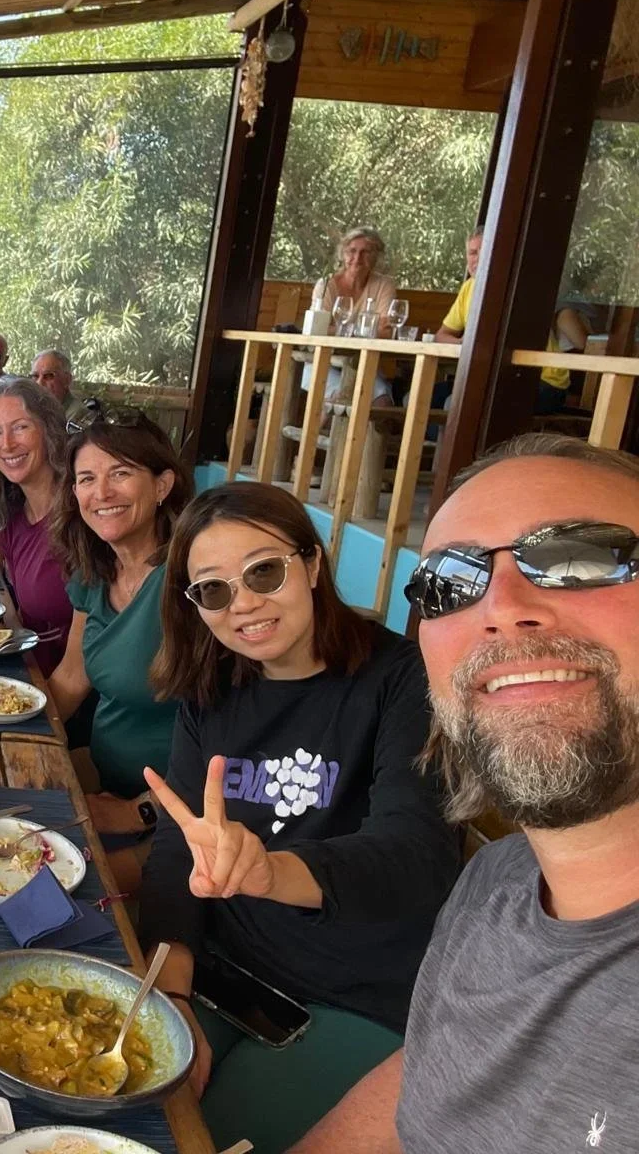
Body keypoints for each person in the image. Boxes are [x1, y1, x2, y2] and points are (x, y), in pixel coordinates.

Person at [292, 435, 639, 1154]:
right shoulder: (497, 880)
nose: (502, 607)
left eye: (579, 557)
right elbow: (428, 1078)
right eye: (449, 583)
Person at [138, 480, 459, 1153]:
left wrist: (271, 871)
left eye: (264, 572)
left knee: (198, 1135)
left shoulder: (403, 679)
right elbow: (177, 850)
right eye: (214, 590)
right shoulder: (212, 690)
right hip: (228, 968)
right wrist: (173, 994)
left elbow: (418, 854)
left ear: (311, 563)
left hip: (354, 992)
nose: (243, 604)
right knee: (125, 1096)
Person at [46, 409, 191, 889]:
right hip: (104, 782)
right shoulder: (96, 570)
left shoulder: (189, 581)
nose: (102, 493)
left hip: (172, 821)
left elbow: (230, 736)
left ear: (163, 485)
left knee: (48, 892)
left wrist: (138, 812)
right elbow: (71, 678)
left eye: (121, 473)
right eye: (87, 479)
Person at [0, 378, 73, 674]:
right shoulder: (13, 517)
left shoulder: (79, 516)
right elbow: (19, 621)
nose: (7, 444)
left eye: (21, 427)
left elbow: (85, 661)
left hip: (63, 690)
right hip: (24, 672)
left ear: (49, 430)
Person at [435, 225, 577, 413]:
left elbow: (504, 341)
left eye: (484, 252)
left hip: (543, 380)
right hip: (493, 377)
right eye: (472, 253)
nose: (477, 259)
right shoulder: (469, 287)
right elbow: (442, 335)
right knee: (419, 398)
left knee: (454, 404)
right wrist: (462, 342)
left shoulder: (516, 285)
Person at [312, 225, 398, 404]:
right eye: (352, 251)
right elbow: (318, 329)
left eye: (365, 252)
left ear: (376, 257)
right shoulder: (326, 285)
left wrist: (338, 329)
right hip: (321, 362)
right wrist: (367, 329)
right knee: (340, 399)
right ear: (343, 254)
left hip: (363, 365)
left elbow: (387, 332)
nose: (357, 258)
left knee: (382, 401)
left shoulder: (384, 285)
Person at [32, 348, 89, 423]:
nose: (39, 383)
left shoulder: (78, 415)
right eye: (35, 376)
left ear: (67, 380)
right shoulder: (31, 409)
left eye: (48, 376)